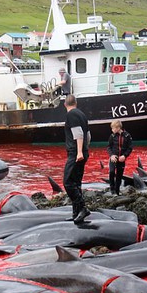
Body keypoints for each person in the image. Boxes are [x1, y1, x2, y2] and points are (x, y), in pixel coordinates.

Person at [63, 94, 91, 224]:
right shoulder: (82, 114)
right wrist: (85, 149)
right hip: (83, 151)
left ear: (65, 104)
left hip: (75, 153)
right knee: (76, 182)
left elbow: (78, 133)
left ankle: (82, 208)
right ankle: (76, 213)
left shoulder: (71, 115)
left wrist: (79, 152)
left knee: (68, 182)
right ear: (76, 103)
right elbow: (88, 135)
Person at [107, 120, 133, 195]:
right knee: (112, 172)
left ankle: (117, 190)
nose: (112, 130)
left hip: (121, 159)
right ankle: (112, 189)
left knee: (119, 175)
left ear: (118, 128)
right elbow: (109, 147)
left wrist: (125, 156)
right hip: (113, 158)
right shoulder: (112, 136)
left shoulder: (127, 136)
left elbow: (130, 147)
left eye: (113, 128)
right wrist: (111, 155)